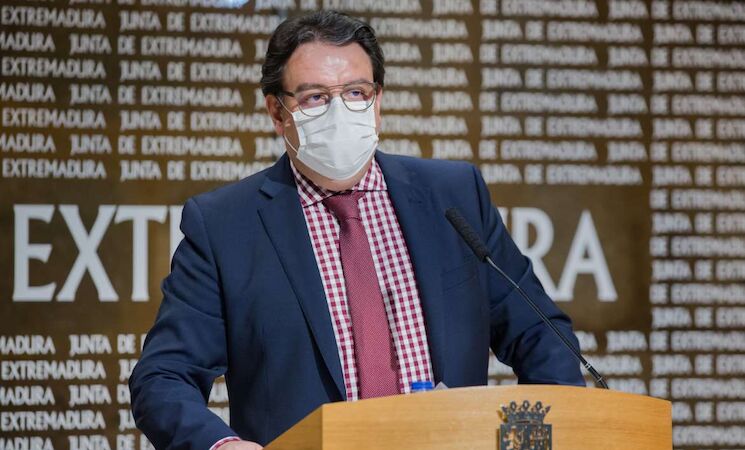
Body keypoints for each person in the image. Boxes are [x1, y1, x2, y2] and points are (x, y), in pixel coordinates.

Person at [129, 10, 584, 450]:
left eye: (355, 92)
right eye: (314, 97)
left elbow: (539, 331)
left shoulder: (453, 195)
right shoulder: (226, 225)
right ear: (277, 112)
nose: (340, 111)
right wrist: (223, 445)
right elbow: (164, 376)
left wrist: (556, 432)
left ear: (377, 101)